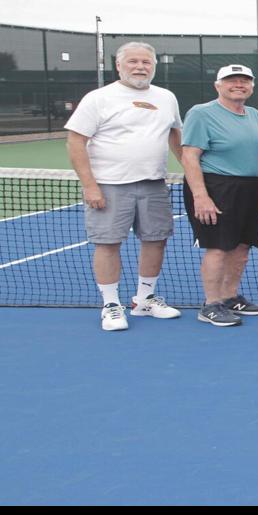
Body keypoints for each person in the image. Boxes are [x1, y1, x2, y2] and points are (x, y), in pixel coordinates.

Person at [65, 42, 183, 332]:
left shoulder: (166, 97)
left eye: (146, 62)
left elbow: (175, 135)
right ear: (118, 65)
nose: (140, 67)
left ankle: (144, 299)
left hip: (154, 183)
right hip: (109, 185)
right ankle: (110, 304)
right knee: (108, 244)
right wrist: (90, 185)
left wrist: (192, 173)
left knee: (156, 240)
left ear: (154, 66)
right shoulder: (98, 98)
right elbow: (75, 141)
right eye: (132, 61)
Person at [179, 64, 258, 327]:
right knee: (219, 247)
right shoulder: (201, 113)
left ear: (252, 86)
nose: (239, 84)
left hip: (252, 189)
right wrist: (201, 196)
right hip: (217, 187)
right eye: (231, 80)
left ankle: (230, 296)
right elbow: (190, 156)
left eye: (245, 80)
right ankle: (211, 304)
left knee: (242, 247)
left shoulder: (254, 115)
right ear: (218, 85)